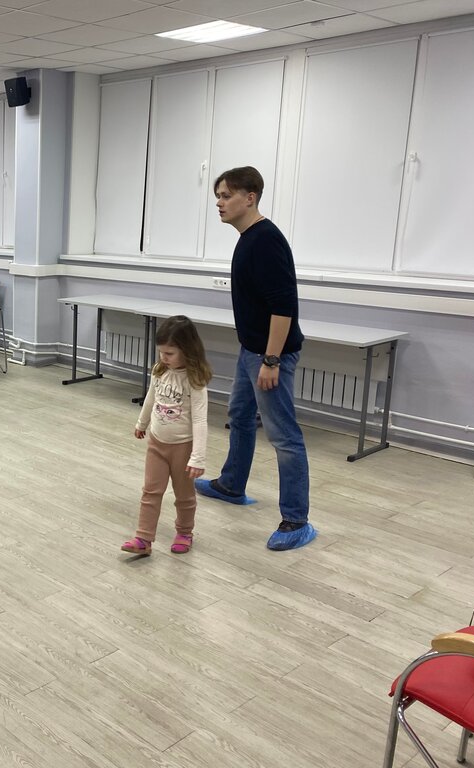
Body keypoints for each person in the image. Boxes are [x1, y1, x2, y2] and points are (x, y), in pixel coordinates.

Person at [196, 166, 316, 551]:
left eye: (226, 195)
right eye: (217, 196)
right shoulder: (248, 238)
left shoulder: (265, 240)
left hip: (269, 355)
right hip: (251, 350)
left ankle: (296, 520)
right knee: (240, 415)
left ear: (250, 198)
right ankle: (231, 485)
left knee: (283, 435)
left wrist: (271, 360)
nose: (219, 203)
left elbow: (284, 307)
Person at [122, 316, 211, 556]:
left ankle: (184, 532)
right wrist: (142, 423)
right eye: (161, 352)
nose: (163, 357)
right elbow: (151, 398)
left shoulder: (195, 380)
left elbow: (200, 420)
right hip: (156, 443)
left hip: (182, 448)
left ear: (187, 350)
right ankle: (143, 538)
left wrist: (198, 458)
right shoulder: (159, 370)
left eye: (169, 353)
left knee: (184, 496)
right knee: (150, 491)